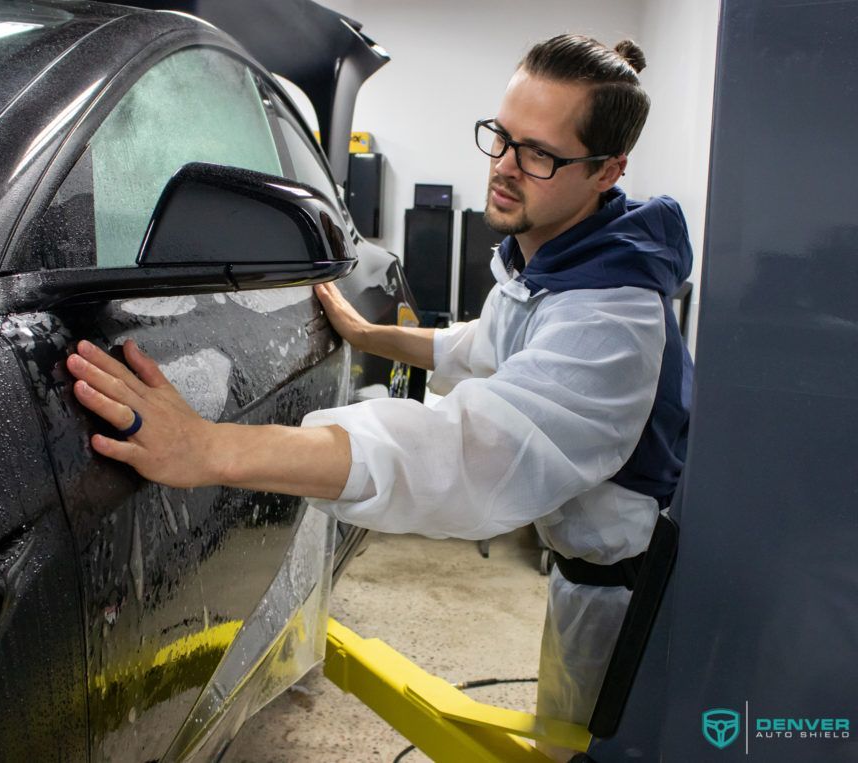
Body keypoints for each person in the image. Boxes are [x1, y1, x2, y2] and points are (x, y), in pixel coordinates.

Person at [65, 34, 692, 760]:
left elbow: (464, 450)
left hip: (621, 596)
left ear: (609, 170)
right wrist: (369, 332)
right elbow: (478, 344)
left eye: (539, 155)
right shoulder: (555, 252)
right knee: (563, 729)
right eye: (501, 138)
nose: (504, 169)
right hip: (580, 573)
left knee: (589, 743)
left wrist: (212, 446)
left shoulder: (611, 315)